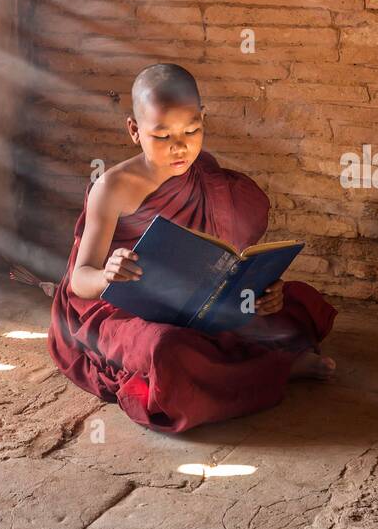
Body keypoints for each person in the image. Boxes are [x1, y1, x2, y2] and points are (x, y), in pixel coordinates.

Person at [47, 63, 337, 433]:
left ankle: (245, 362)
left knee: (296, 303)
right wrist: (106, 275)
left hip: (193, 303)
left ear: (204, 119)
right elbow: (79, 281)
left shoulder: (206, 176)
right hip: (118, 307)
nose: (180, 146)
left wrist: (260, 292)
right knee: (166, 349)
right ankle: (279, 370)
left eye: (191, 130)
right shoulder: (114, 187)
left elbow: (226, 264)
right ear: (134, 131)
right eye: (162, 135)